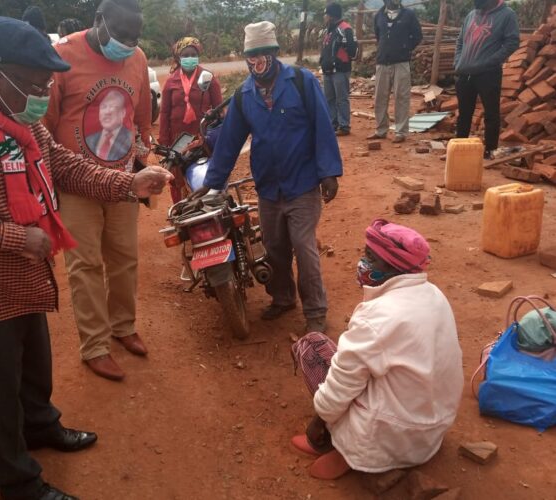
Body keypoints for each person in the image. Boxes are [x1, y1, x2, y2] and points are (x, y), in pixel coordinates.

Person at [0, 16, 171, 500]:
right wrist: (15, 239)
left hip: (21, 280)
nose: (45, 91)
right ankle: (19, 484)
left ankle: (42, 428)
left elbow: (63, 165)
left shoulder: (14, 117)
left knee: (33, 370)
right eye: (37, 82)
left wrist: (127, 183)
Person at [290, 219, 463, 479]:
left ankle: (341, 450)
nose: (362, 262)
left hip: (385, 438)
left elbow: (343, 382)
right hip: (431, 432)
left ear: (394, 267)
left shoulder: (377, 317)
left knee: (312, 345)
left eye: (371, 257)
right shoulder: (434, 295)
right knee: (369, 364)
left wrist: (319, 421)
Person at [203, 21, 342, 333]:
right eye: (251, 56)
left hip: (303, 183)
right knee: (274, 247)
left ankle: (316, 313)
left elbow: (322, 127)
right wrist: (212, 183)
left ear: (276, 53)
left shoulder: (302, 82)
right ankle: (282, 298)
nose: (257, 62)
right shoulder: (244, 96)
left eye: (263, 54)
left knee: (304, 248)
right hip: (268, 186)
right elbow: (229, 142)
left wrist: (330, 173)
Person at [44, 0, 152, 381]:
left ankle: (123, 326)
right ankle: (95, 345)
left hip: (122, 182)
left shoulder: (136, 58)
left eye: (134, 37)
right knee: (85, 265)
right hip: (76, 184)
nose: (126, 44)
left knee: (125, 258)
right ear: (98, 22)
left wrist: (142, 158)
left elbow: (141, 117)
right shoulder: (62, 55)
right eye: (120, 35)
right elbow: (45, 124)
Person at [455, 0, 519, 160]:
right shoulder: (471, 15)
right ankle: (458, 147)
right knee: (464, 114)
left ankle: (490, 151)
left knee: (491, 114)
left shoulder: (507, 15)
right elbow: (460, 41)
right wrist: (457, 62)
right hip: (464, 73)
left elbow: (512, 42)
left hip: (488, 74)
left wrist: (491, 62)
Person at [368, 0, 422, 143]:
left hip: (401, 62)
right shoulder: (379, 15)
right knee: (380, 97)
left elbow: (417, 36)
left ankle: (401, 132)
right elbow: (378, 36)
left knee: (402, 97)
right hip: (382, 62)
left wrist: (405, 48)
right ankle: (381, 130)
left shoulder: (408, 15)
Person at [157, 37, 223, 147]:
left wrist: (217, 135)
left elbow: (219, 110)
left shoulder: (208, 77)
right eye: (186, 56)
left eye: (193, 55)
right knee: (177, 164)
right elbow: (164, 113)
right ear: (179, 58)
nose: (190, 58)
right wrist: (164, 139)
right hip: (177, 138)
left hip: (203, 137)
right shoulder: (171, 81)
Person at [320, 4, 358, 137]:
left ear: (331, 16)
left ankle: (344, 126)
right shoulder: (328, 31)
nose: (324, 17)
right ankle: (333, 124)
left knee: (341, 99)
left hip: (340, 71)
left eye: (326, 14)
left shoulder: (345, 29)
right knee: (329, 98)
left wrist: (340, 60)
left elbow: (353, 51)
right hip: (327, 71)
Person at [85, 89, 135, 161]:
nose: (107, 112)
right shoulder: (89, 140)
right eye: (103, 107)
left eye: (113, 107)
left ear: (123, 113)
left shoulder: (130, 140)